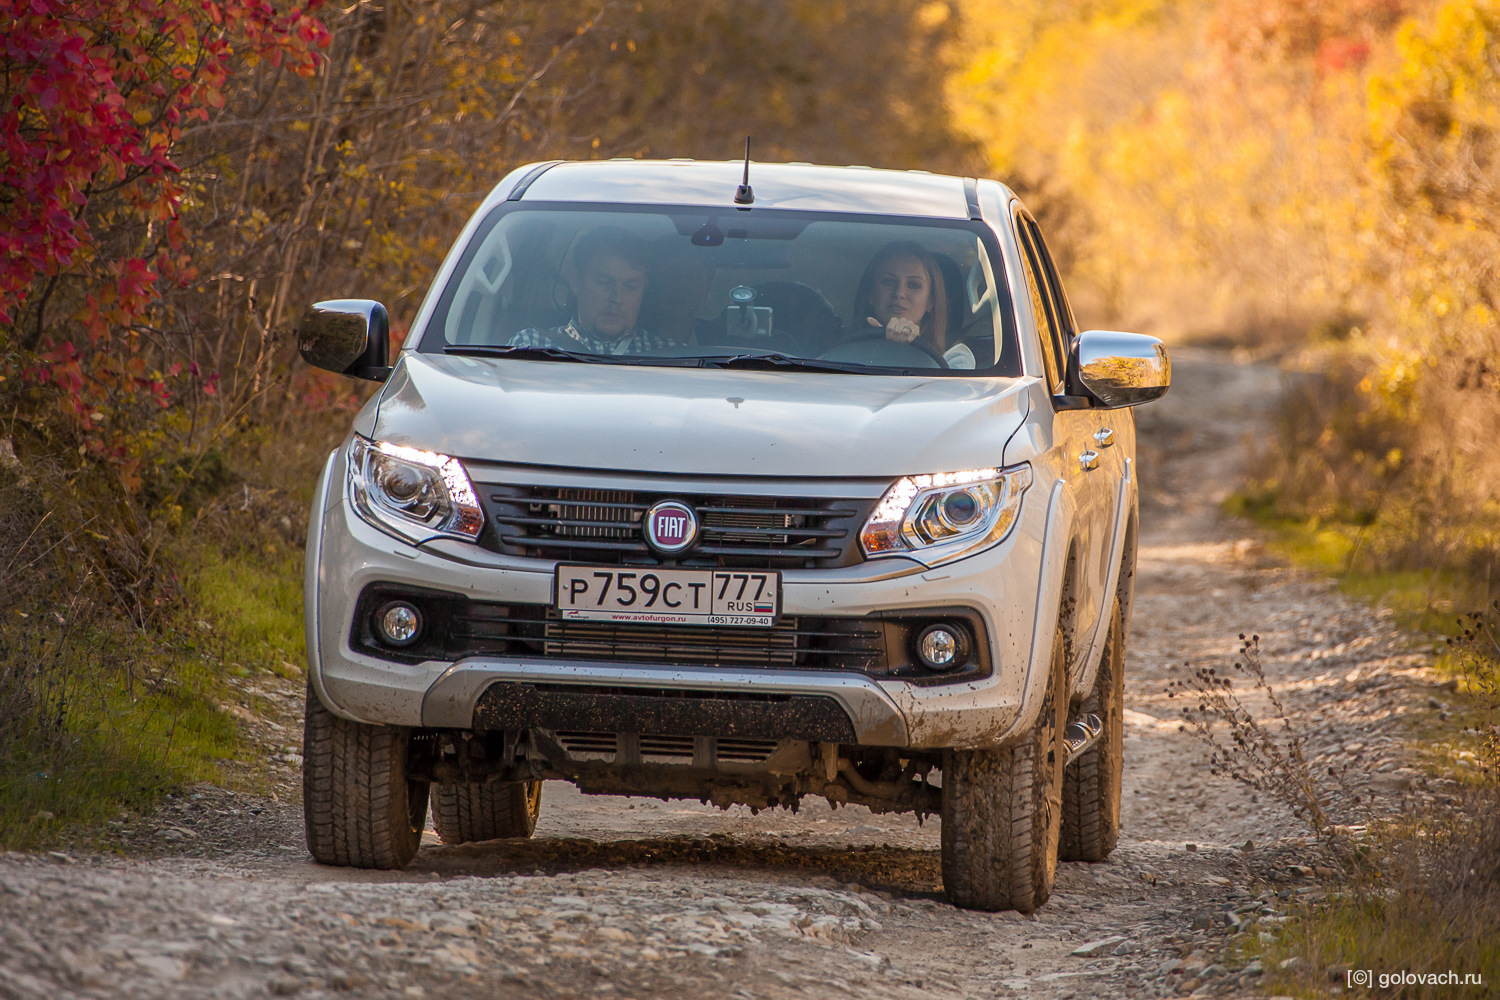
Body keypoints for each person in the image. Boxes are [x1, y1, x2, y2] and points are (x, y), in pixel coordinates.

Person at [508, 227, 668, 354]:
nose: (617, 298)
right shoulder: (530, 346)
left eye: (631, 286)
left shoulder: (671, 355)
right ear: (576, 281)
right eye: (604, 282)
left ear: (644, 289)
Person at [852, 241, 975, 368]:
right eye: (888, 281)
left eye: (913, 285)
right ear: (870, 294)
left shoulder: (955, 358)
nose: (899, 293)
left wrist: (911, 352)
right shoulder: (842, 352)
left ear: (930, 301)